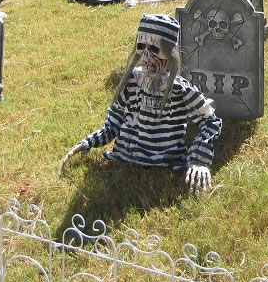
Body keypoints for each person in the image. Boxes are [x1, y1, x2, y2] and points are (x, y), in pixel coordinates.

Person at [58, 14, 222, 194]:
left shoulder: (179, 90)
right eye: (141, 46)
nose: (146, 55)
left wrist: (198, 159)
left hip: (166, 162)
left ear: (169, 53)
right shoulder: (131, 82)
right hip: (125, 157)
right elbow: (113, 124)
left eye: (154, 48)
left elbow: (210, 121)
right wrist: (88, 142)